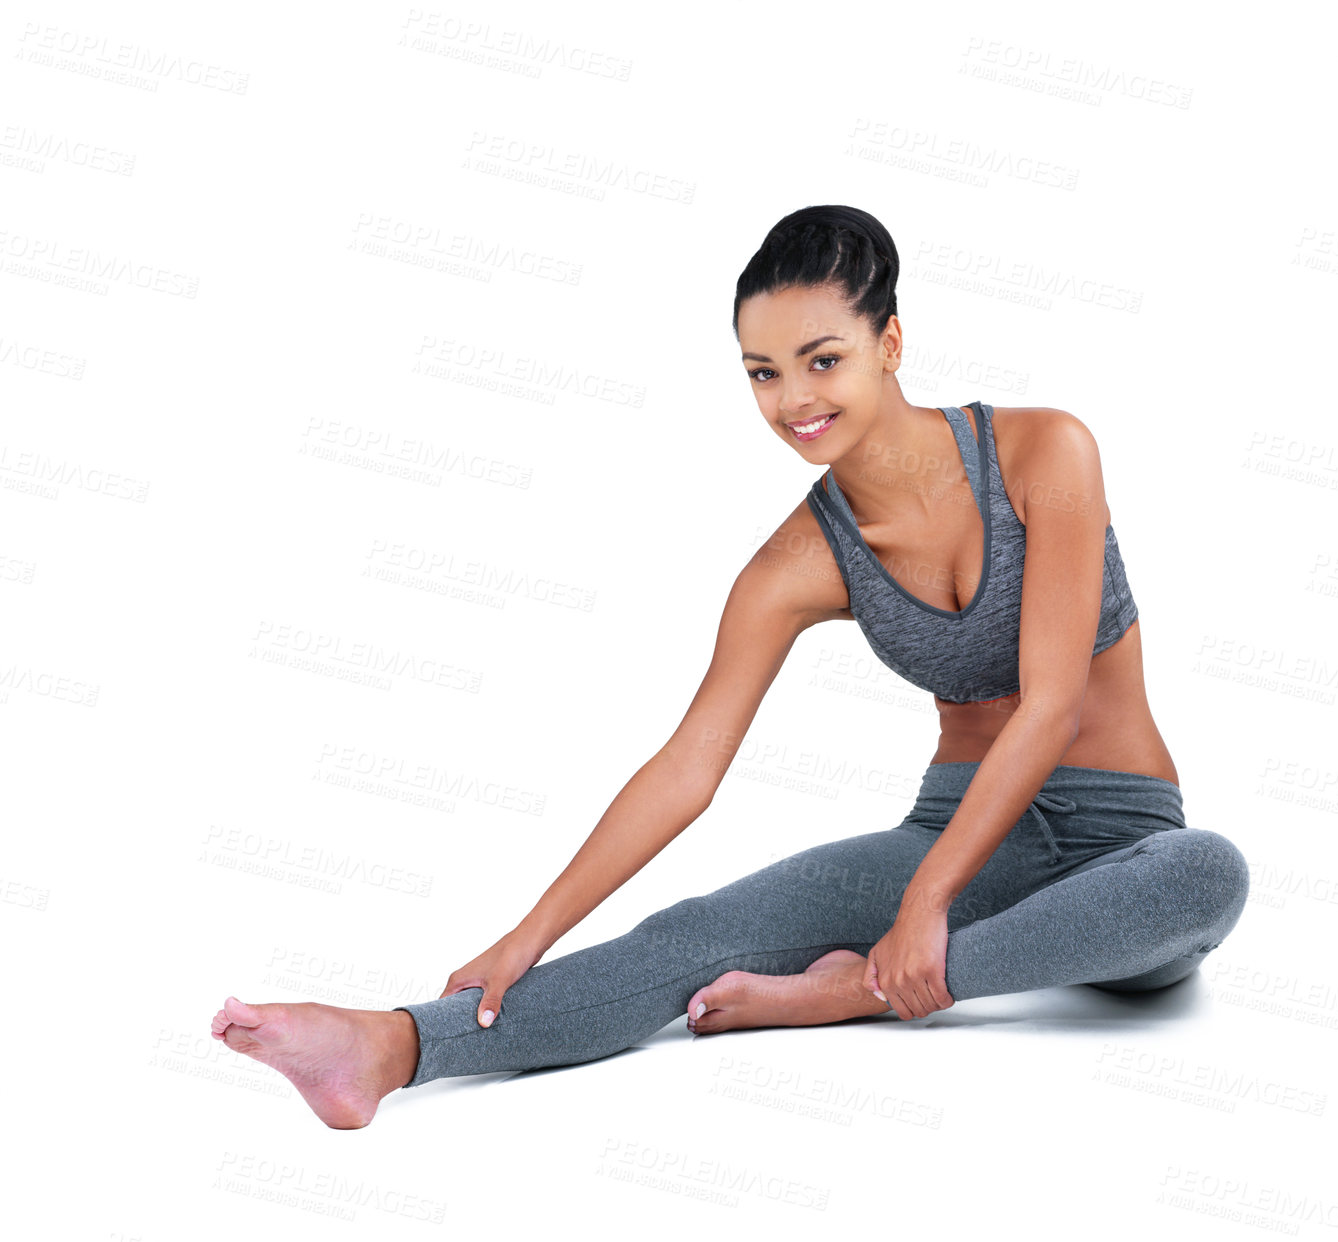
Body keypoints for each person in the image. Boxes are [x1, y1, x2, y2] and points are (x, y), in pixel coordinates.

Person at [210, 204, 1250, 1129]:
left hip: (1122, 836)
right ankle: (394, 1047)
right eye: (762, 372)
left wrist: (920, 915)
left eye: (821, 358)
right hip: (957, 831)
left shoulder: (1042, 451)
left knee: (1207, 874)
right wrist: (531, 928)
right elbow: (687, 768)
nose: (793, 398)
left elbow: (1055, 701)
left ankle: (858, 992)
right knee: (702, 931)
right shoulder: (795, 563)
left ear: (889, 343)